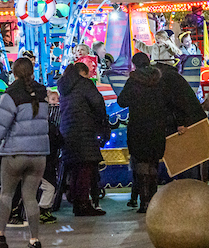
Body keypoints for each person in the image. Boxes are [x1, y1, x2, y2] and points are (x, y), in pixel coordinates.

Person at [0, 57, 49, 248]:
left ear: (13, 72)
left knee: (6, 195)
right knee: (30, 198)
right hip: (38, 155)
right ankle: (35, 240)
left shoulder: (11, 95)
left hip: (14, 154)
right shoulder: (42, 93)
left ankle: (0, 237)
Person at [117, 52, 170, 214]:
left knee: (141, 162)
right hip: (157, 126)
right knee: (153, 161)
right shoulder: (159, 80)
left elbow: (121, 101)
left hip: (138, 126)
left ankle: (144, 201)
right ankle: (153, 200)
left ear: (134, 65)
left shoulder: (133, 81)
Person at [57, 62, 110, 217]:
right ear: (83, 73)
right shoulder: (85, 84)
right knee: (85, 169)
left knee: (75, 168)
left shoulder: (64, 87)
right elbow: (98, 103)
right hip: (84, 130)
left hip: (68, 131)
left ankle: (76, 200)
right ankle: (83, 204)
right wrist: (102, 124)